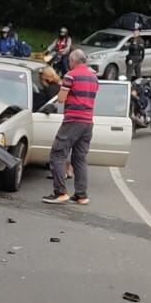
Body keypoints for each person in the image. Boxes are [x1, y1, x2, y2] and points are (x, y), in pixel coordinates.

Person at [44, 49, 97, 205]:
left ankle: (60, 192)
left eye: (69, 60)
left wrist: (62, 88)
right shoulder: (94, 78)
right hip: (88, 122)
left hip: (73, 120)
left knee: (57, 154)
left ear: (73, 60)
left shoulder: (71, 75)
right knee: (79, 159)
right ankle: (81, 195)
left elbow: (61, 99)